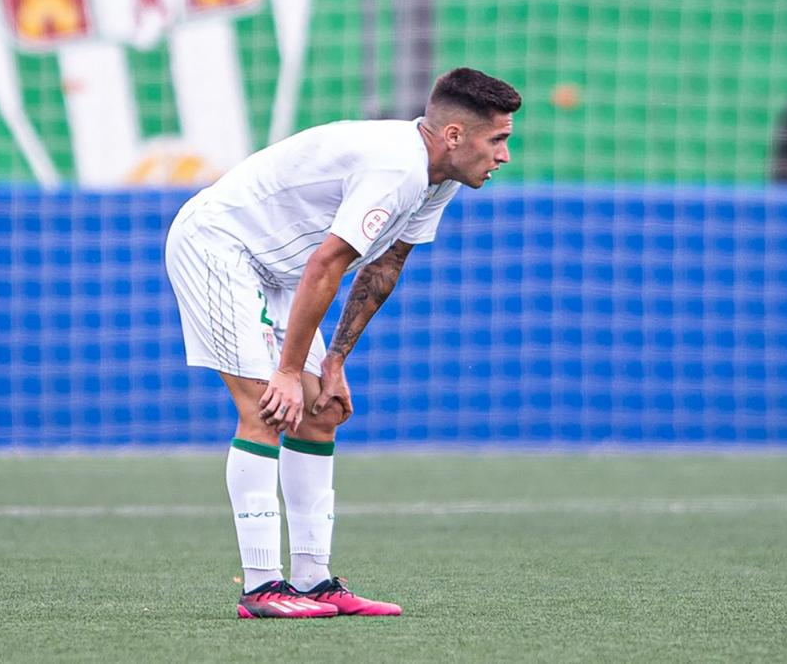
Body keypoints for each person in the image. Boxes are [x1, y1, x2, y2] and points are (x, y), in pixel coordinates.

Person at [163, 67, 522, 619]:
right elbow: (327, 263)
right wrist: (286, 371)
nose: (504, 155)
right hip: (219, 245)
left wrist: (333, 362)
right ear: (454, 135)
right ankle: (260, 588)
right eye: (497, 139)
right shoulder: (397, 166)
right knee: (268, 406)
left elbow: (385, 265)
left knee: (320, 412)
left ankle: (312, 580)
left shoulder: (440, 176)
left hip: (276, 272)